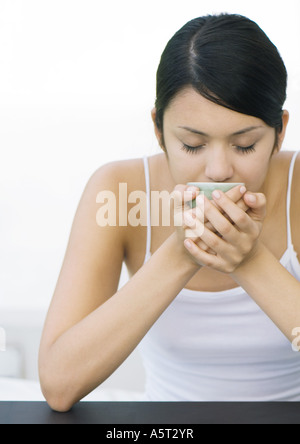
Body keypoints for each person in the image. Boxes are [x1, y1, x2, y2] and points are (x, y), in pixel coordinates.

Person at [38, 13, 300, 412]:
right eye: (192, 145)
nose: (218, 170)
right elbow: (59, 385)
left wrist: (249, 262)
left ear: (279, 132)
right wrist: (180, 253)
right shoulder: (118, 190)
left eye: (244, 145)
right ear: (159, 131)